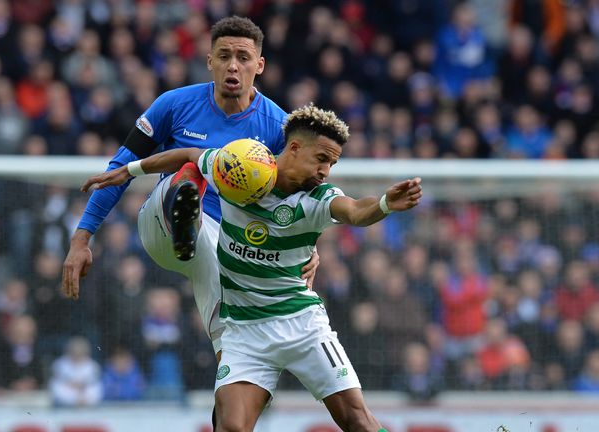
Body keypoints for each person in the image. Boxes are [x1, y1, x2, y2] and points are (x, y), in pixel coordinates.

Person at [84, 104, 422, 431]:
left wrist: (383, 204)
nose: (325, 171)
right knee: (231, 426)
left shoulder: (318, 198)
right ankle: (183, 223)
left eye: (331, 163)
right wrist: (129, 171)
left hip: (302, 325)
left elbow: (355, 210)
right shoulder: (241, 172)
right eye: (321, 159)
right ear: (293, 148)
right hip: (245, 332)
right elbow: (189, 155)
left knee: (358, 422)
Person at [62, 16, 319, 357]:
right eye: (224, 56)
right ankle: (187, 222)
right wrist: (82, 238)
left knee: (236, 347)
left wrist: (310, 247)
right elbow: (118, 171)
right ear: (209, 61)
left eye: (243, 58)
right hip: (163, 225)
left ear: (259, 65)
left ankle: (235, 389)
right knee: (189, 172)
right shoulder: (174, 104)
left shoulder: (278, 127)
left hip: (226, 243)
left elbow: (298, 197)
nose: (233, 65)